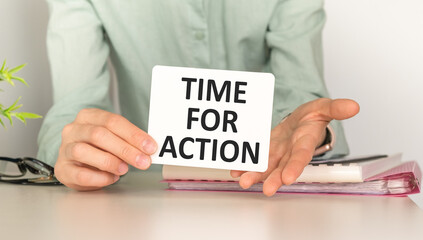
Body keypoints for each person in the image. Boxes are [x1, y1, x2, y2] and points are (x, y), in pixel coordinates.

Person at [38, 0, 359, 196]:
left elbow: (304, 98)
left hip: (268, 191)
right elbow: (72, 112)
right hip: (142, 198)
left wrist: (314, 133)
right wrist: (71, 151)